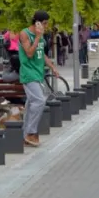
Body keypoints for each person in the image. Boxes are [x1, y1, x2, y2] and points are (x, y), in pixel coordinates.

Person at [19, 10, 60, 147]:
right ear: (37, 23)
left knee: (31, 104)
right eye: (45, 23)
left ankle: (24, 135)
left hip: (38, 73)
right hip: (28, 73)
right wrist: (37, 37)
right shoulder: (25, 34)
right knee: (39, 101)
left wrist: (52, 67)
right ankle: (31, 132)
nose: (46, 26)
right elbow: (29, 53)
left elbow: (41, 54)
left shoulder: (40, 36)